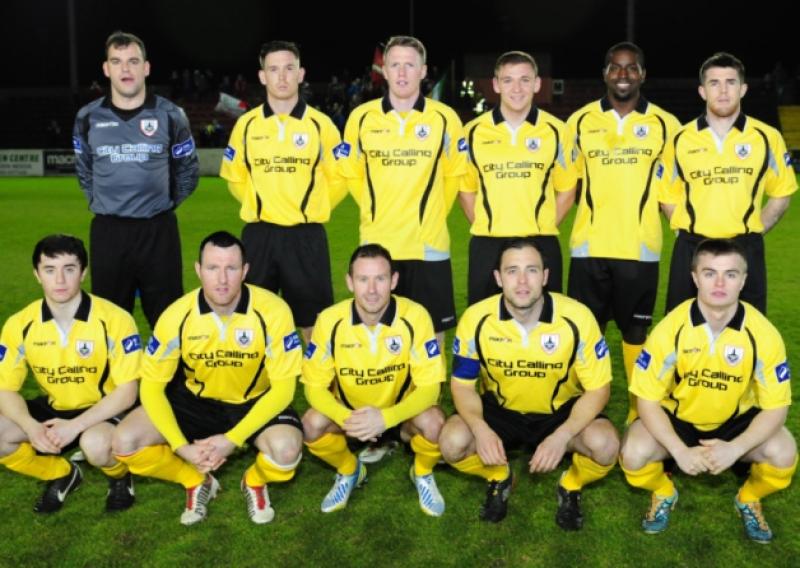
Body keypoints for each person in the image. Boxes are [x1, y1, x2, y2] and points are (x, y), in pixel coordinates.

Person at [112, 232, 304, 525]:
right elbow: (151, 388)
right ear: (198, 270)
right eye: (213, 268)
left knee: (287, 451)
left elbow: (284, 390)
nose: (222, 279)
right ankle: (195, 480)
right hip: (195, 403)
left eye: (231, 268)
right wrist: (181, 447)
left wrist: (231, 440)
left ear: (245, 271)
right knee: (124, 440)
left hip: (254, 401)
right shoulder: (176, 315)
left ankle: (254, 480)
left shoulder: (273, 310)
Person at [620, 239, 796, 543]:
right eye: (710, 272)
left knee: (784, 453)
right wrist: (678, 450)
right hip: (678, 417)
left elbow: (777, 407)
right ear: (694, 277)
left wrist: (736, 448)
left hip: (735, 420)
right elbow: (646, 399)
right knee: (633, 453)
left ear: (743, 280)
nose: (719, 283)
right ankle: (663, 491)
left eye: (730, 274)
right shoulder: (670, 329)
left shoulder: (763, 334)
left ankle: (749, 497)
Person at [439, 238, 619, 528]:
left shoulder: (578, 317)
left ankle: (571, 484)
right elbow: (462, 385)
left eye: (532, 270)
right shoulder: (476, 319)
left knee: (606, 445)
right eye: (512, 271)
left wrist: (562, 435)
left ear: (545, 276)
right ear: (498, 278)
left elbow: (599, 388)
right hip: (501, 412)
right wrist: (480, 428)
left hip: (559, 413)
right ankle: (498, 475)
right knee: (451, 442)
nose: (522, 281)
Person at [566, 42, 680, 422]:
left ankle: (637, 410)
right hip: (589, 248)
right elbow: (566, 184)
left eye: (631, 68)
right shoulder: (579, 122)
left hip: (640, 249)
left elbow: (672, 192)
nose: (623, 74)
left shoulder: (666, 125)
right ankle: (586, 406)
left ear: (643, 74)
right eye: (615, 67)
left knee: (636, 336)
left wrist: (687, 234)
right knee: (586, 333)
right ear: (605, 73)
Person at [336, 35, 468, 347]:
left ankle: (430, 394)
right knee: (381, 331)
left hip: (429, 244)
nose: (402, 72)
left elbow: (454, 176)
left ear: (423, 71)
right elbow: (351, 174)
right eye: (394, 64)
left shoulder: (445, 119)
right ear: (385, 70)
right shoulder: (361, 117)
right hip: (378, 243)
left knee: (431, 332)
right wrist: (374, 208)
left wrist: (433, 212)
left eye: (410, 64)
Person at [301, 244, 447, 517]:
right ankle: (350, 470)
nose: (371, 289)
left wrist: (386, 418)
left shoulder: (415, 316)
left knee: (436, 424)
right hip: (352, 418)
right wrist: (346, 418)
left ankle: (423, 472)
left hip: (402, 416)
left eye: (380, 279)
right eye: (363, 279)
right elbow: (314, 386)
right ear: (349, 282)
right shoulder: (330, 320)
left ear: (393, 280)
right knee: (310, 425)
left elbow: (430, 388)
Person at [0, 235, 140, 513]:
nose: (60, 280)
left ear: (84, 272)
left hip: (105, 408)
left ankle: (120, 478)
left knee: (95, 444)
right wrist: (30, 426)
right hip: (56, 409)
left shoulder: (115, 319)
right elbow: (5, 389)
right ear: (37, 275)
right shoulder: (19, 324)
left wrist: (75, 427)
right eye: (50, 270)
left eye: (69, 268)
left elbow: (127, 391)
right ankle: (61, 473)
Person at [73, 31, 199, 329]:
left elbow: (188, 171)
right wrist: (101, 202)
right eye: (117, 62)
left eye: (133, 61)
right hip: (109, 233)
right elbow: (84, 171)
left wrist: (164, 202)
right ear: (106, 69)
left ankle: (174, 378)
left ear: (146, 67)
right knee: (110, 321)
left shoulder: (171, 115)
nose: (125, 69)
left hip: (158, 230)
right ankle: (117, 378)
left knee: (168, 319)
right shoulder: (87, 117)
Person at [220, 40, 345, 344]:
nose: (282, 77)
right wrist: (261, 206)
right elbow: (235, 178)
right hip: (259, 235)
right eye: (273, 69)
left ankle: (321, 387)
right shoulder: (246, 125)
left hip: (306, 236)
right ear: (262, 76)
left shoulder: (321, 125)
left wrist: (313, 208)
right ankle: (255, 385)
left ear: (301, 73)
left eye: (289, 68)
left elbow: (340, 179)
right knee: (252, 318)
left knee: (314, 323)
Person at [660, 52, 797, 314]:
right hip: (691, 248)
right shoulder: (680, 139)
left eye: (730, 82)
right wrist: (685, 232)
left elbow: (782, 193)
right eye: (714, 83)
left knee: (746, 330)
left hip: (745, 248)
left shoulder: (767, 137)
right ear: (702, 91)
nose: (723, 90)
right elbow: (667, 193)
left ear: (743, 89)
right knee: (682, 328)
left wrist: (754, 231)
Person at [459, 51, 577, 303]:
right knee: (484, 318)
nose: (517, 88)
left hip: (541, 241)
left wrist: (542, 226)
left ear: (537, 84)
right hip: (487, 243)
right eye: (508, 80)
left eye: (525, 80)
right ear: (495, 84)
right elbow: (466, 189)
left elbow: (567, 189)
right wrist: (488, 224)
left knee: (547, 323)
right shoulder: (472, 132)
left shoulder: (558, 131)